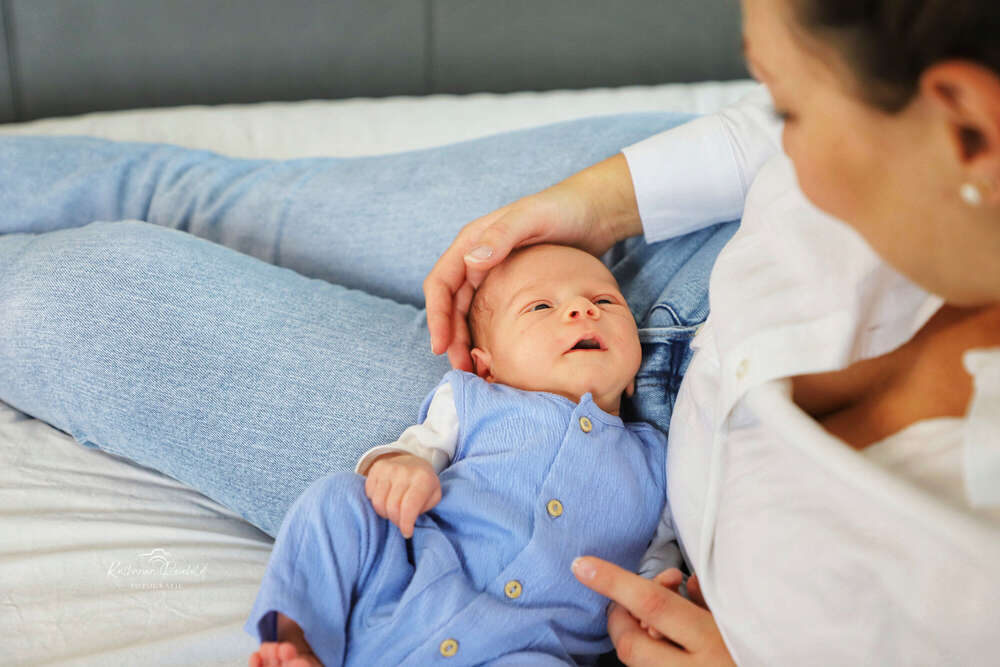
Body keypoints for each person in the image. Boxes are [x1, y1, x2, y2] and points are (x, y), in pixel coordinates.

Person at [424, 0, 1000, 664]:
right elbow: (769, 130)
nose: (779, 143)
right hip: (675, 242)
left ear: (969, 129)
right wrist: (590, 205)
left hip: (595, 494)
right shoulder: (882, 125)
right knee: (278, 204)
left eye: (789, 113)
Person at [245, 244, 674, 666]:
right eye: (540, 307)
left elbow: (655, 560)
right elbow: (420, 446)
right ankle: (300, 637)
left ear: (634, 371)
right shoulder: (473, 399)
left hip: (529, 644)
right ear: (487, 366)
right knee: (338, 497)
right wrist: (403, 466)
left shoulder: (658, 461)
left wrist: (660, 598)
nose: (582, 309)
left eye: (604, 300)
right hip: (407, 587)